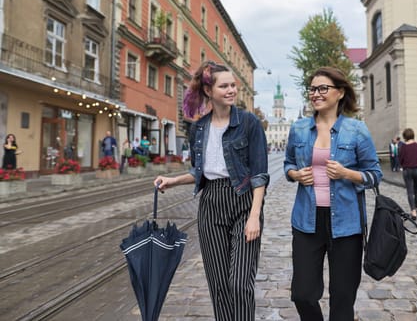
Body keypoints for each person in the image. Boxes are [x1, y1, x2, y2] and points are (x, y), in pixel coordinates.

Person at [154, 60, 269, 321]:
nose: (231, 90)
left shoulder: (249, 123)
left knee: (240, 283)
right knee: (218, 285)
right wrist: (172, 181)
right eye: (224, 86)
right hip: (211, 204)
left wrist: (254, 216)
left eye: (233, 85)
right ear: (209, 91)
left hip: (243, 201)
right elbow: (200, 171)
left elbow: (260, 174)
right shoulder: (199, 128)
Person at [283, 67, 382, 321]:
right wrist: (295, 175)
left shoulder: (356, 130)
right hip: (307, 222)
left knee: (342, 298)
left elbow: (375, 174)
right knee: (302, 294)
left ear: (340, 93)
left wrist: (347, 174)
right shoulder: (299, 129)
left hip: (346, 225)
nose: (316, 94)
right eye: (313, 89)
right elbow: (288, 164)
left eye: (323, 88)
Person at [398, 128, 417, 220]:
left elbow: (401, 159)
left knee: (410, 191)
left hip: (407, 170)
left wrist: (401, 166)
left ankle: (413, 211)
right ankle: (416, 207)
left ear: (404, 137)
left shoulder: (403, 147)